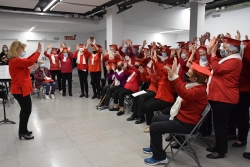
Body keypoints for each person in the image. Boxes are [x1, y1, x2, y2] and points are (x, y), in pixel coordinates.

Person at [143, 59, 210, 166]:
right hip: (181, 118)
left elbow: (185, 94)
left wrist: (175, 77)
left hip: (187, 124)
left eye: (188, 73)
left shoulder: (199, 90)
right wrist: (171, 76)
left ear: (195, 78)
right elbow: (179, 87)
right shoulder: (192, 85)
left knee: (155, 127)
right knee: (155, 119)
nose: (186, 74)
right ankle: (154, 148)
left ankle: (159, 157)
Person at [206, 36, 242, 159]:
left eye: (225, 47)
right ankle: (217, 146)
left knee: (220, 126)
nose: (222, 49)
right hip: (220, 97)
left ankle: (220, 151)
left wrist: (212, 54)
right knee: (218, 125)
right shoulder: (229, 58)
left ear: (232, 50)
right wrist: (213, 50)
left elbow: (217, 68)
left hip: (225, 98)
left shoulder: (235, 61)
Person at [8, 41, 42, 140]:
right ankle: (22, 132)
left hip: (23, 89)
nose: (24, 51)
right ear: (17, 49)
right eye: (23, 49)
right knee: (26, 110)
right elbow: (29, 62)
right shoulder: (14, 61)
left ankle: (23, 130)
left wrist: (35, 51)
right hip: (19, 90)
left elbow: (27, 60)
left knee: (26, 110)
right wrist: (38, 52)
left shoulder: (17, 60)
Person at [228, 38, 250, 147]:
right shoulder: (236, 59)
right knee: (232, 113)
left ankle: (242, 138)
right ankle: (232, 133)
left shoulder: (244, 60)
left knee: (242, 115)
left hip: (244, 89)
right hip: (233, 88)